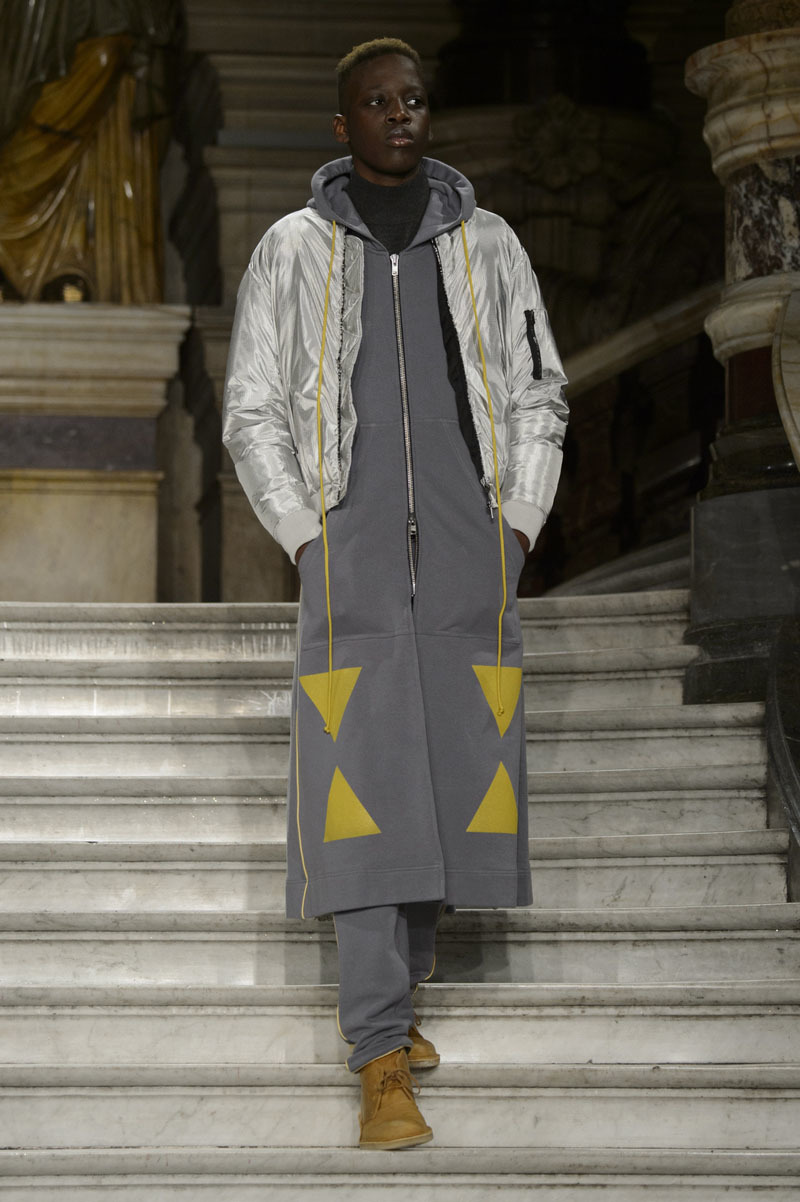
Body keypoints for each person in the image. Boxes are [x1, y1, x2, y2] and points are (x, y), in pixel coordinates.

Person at [223, 37, 568, 1150]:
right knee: (359, 775)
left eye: (413, 99)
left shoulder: (489, 243)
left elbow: (537, 391)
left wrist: (518, 521)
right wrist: (304, 533)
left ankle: (400, 989)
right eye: (376, 102)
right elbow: (252, 405)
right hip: (350, 538)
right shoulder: (292, 249)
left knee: (454, 765)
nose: (399, 114)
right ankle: (378, 1051)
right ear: (344, 125)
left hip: (470, 540)